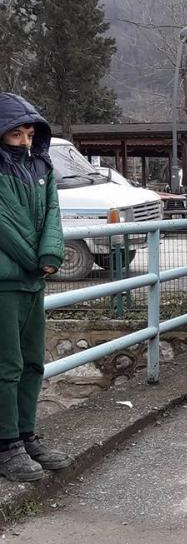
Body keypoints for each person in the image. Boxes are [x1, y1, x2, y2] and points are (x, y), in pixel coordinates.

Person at [0, 93, 71, 482]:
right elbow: (5, 224)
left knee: (32, 362)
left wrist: (51, 253)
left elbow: (53, 214)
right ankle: (6, 444)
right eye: (16, 134)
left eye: (30, 133)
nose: (25, 141)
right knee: (6, 366)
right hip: (6, 282)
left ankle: (27, 435)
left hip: (32, 280)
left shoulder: (40, 167)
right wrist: (34, 257)